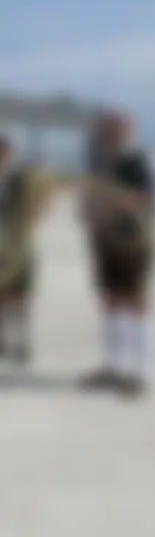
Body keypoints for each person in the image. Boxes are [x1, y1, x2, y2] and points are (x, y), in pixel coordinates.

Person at [77, 112, 155, 396]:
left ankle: (139, 372)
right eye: (106, 132)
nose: (109, 137)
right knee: (110, 300)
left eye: (115, 131)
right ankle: (113, 366)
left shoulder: (146, 159)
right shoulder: (99, 162)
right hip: (106, 241)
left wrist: (133, 200)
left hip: (134, 241)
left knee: (136, 303)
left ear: (128, 132)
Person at [0, 137, 52, 366]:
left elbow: (42, 199)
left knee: (21, 298)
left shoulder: (21, 181)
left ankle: (20, 343)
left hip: (20, 247)